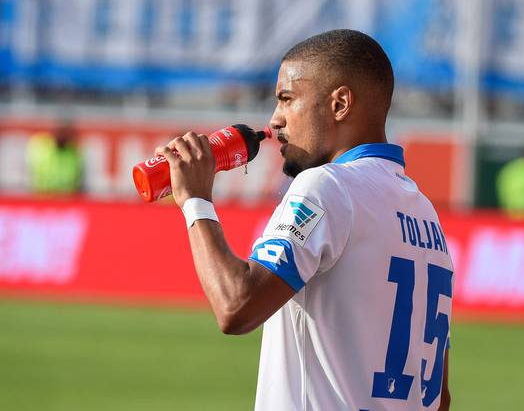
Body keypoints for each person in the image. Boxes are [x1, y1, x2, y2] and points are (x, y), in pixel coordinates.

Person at [156, 29, 453, 411]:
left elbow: (236, 306)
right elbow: (440, 398)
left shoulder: (327, 186)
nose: (274, 120)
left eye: (287, 99)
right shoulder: (425, 214)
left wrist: (196, 200)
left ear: (340, 103)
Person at [26, 122, 83, 194]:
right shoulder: (41, 147)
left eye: (67, 134)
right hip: (42, 197)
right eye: (62, 132)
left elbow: (76, 181)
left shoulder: (74, 153)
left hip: (65, 200)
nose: (64, 136)